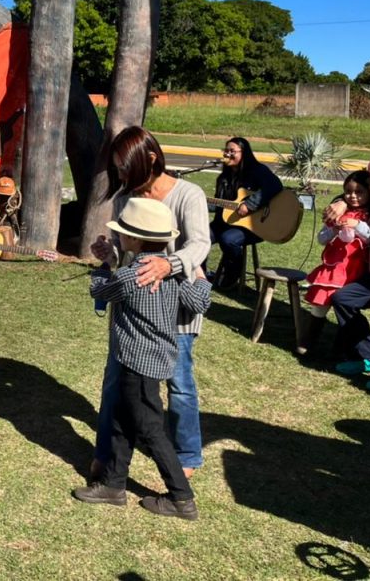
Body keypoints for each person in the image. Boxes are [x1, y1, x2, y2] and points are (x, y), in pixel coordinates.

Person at [74, 198, 211, 520]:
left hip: (136, 363)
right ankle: (113, 484)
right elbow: (199, 301)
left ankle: (182, 499)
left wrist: (106, 265)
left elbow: (100, 291)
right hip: (156, 359)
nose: (118, 238)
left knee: (151, 431)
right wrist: (199, 273)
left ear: (133, 240)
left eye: (121, 234)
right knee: (122, 421)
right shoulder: (172, 274)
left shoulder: (131, 277)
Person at [89, 126, 210, 480]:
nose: (123, 177)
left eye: (126, 168)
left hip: (176, 308)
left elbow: (199, 245)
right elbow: (123, 247)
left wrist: (168, 264)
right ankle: (106, 453)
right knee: (114, 380)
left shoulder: (188, 195)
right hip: (131, 312)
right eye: (118, 170)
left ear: (152, 158)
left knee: (179, 382)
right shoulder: (126, 197)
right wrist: (108, 254)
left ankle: (186, 453)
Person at [301, 169, 370, 357]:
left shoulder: (369, 214)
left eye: (359, 192)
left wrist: (356, 226)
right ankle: (309, 338)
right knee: (322, 300)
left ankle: (345, 348)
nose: (353, 196)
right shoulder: (338, 209)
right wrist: (333, 228)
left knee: (344, 301)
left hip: (355, 268)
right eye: (348, 192)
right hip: (335, 266)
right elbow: (321, 238)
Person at [210, 136, 283, 288]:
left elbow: (275, 185)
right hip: (224, 223)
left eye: (232, 151)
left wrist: (250, 204)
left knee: (228, 239)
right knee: (199, 234)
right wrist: (198, 203)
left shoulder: (257, 171)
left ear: (244, 153)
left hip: (254, 227)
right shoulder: (223, 178)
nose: (228, 154)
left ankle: (231, 276)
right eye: (226, 151)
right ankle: (200, 276)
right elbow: (218, 204)